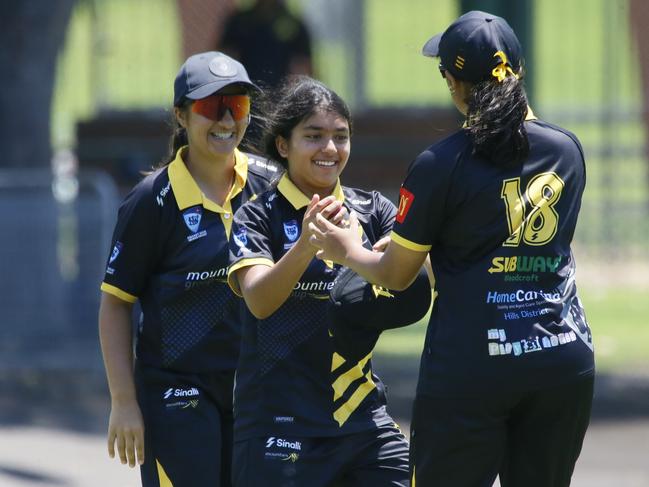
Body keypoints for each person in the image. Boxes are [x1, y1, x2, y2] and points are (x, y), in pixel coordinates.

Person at [309, 11, 595, 487]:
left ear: (454, 84)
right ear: (518, 73)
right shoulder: (568, 150)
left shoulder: (440, 164)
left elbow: (396, 275)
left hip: (472, 367)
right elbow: (511, 248)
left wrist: (346, 250)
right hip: (561, 358)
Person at [98, 51, 281, 486]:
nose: (225, 120)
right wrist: (124, 402)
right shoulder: (150, 201)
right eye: (209, 107)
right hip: (175, 392)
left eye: (236, 106)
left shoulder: (271, 184)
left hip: (257, 390)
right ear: (181, 115)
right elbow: (115, 304)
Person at [226, 75, 411, 486]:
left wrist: (395, 257)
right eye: (314, 136)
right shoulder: (256, 216)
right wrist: (306, 246)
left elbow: (417, 274)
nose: (330, 149)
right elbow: (258, 300)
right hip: (279, 424)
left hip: (362, 419)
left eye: (340, 137)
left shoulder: (373, 209)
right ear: (283, 145)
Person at [219, 0, 313, 88]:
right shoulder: (242, 20)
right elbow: (222, 57)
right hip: (244, 90)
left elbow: (305, 66)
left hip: (277, 95)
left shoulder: (292, 25)